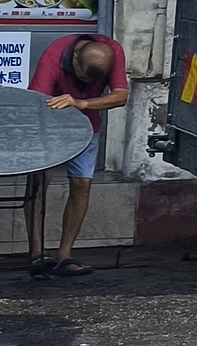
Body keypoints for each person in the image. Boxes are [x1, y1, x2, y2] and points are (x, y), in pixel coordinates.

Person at [25, 32, 128, 279]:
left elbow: (121, 96)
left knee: (81, 185)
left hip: (87, 124)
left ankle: (65, 254)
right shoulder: (55, 53)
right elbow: (35, 100)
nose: (84, 81)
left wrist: (82, 103)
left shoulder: (111, 52)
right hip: (48, 124)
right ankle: (37, 253)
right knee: (39, 183)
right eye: (81, 75)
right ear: (73, 57)